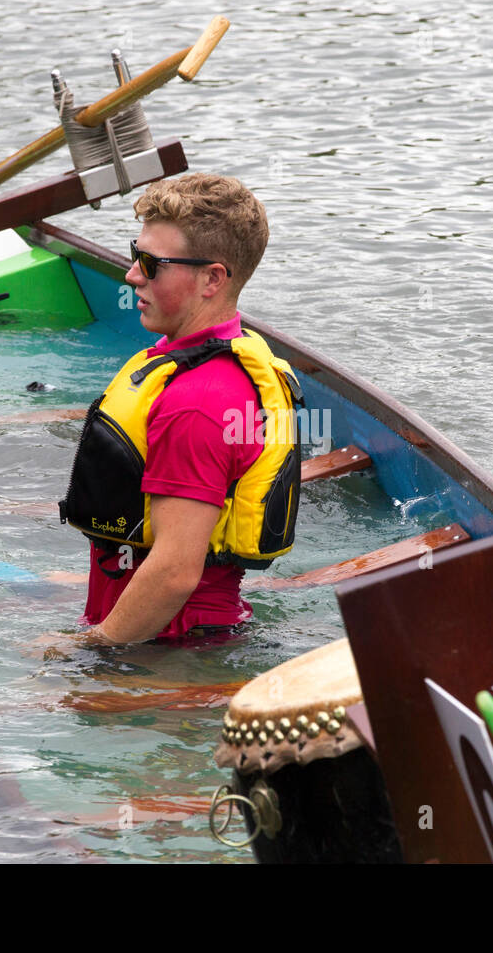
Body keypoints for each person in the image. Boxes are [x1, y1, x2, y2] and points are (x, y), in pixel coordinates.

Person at [58, 174, 302, 645]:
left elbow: (174, 572)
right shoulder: (221, 355)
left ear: (212, 278)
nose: (132, 275)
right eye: (136, 254)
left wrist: (82, 651)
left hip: (167, 651)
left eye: (152, 264)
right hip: (183, 632)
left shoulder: (197, 404)